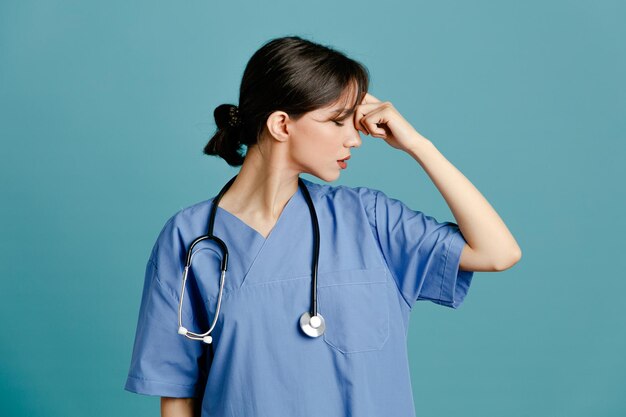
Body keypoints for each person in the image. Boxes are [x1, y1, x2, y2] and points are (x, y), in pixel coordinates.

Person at [124, 35, 522, 417]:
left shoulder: (369, 218)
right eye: (338, 122)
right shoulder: (190, 239)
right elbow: (177, 393)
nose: (356, 139)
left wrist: (419, 144)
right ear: (282, 124)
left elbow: (498, 252)